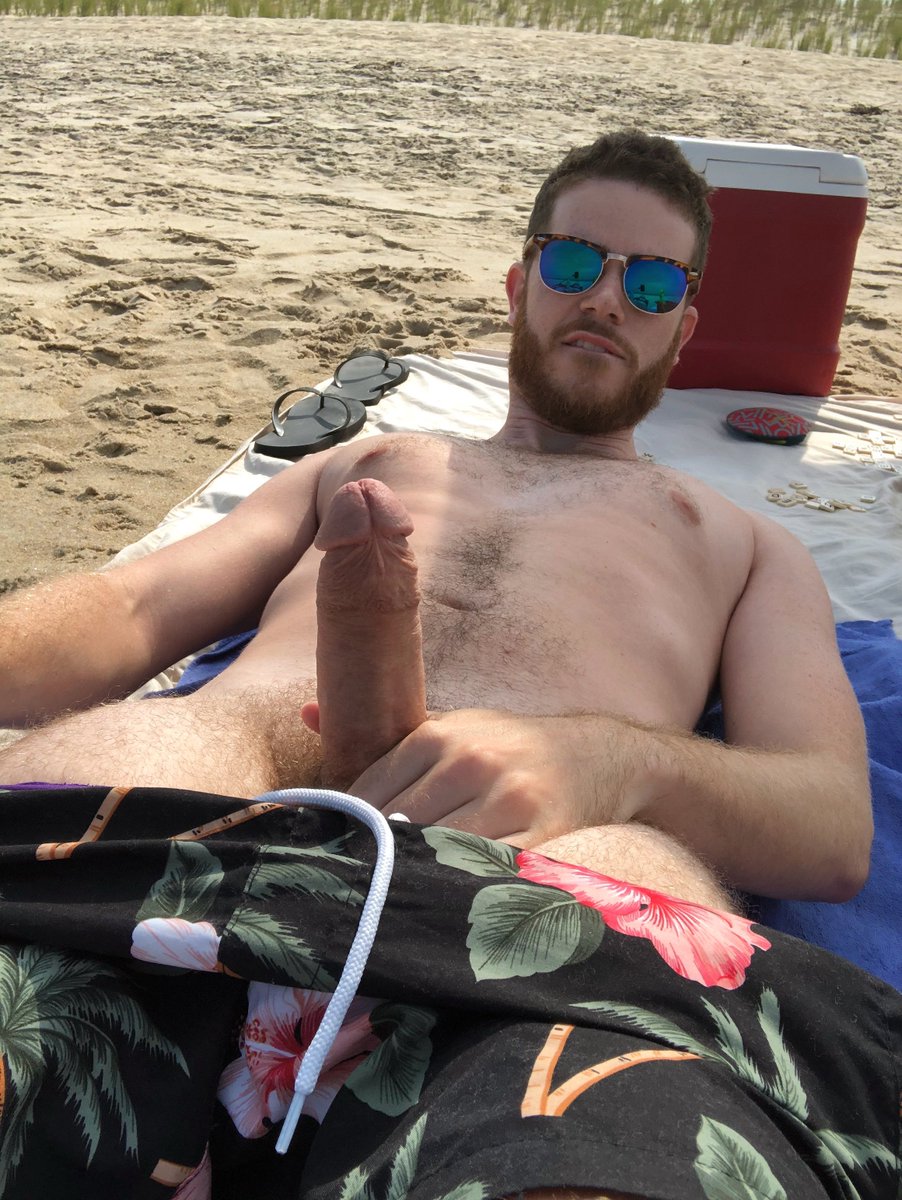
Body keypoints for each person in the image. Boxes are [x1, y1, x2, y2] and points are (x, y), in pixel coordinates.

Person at [0, 130, 895, 1200]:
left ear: (681, 328)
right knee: (157, 746)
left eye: (652, 283)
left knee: (616, 1070)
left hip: (540, 883)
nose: (606, 300)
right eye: (575, 262)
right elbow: (137, 605)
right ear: (520, 284)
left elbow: (828, 822)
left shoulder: (742, 541)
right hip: (208, 808)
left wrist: (611, 762)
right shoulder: (368, 460)